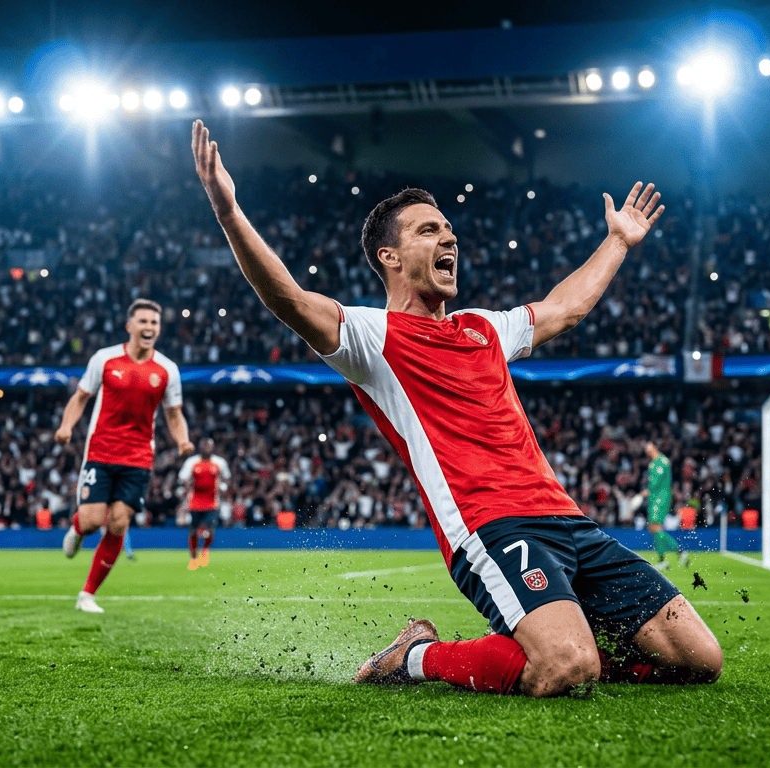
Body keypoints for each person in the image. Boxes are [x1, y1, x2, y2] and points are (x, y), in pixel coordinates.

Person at [191, 120, 721, 697]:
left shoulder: (484, 328)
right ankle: (414, 656)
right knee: (566, 669)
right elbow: (289, 298)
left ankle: (561, 640)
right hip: (490, 526)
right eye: (428, 230)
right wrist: (228, 213)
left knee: (699, 660)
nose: (449, 237)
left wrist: (617, 240)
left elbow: (564, 309)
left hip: (568, 520)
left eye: (448, 228)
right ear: (389, 256)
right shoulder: (374, 338)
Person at [54, 299, 193, 613]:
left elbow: (174, 414)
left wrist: (183, 440)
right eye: (143, 321)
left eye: (154, 323)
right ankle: (77, 529)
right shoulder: (104, 359)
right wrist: (66, 426)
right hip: (101, 451)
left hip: (138, 457)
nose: (149, 328)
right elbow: (80, 397)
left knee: (118, 523)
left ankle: (87, 595)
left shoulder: (168, 369)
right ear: (129, 326)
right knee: (91, 522)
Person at [178, 437, 230, 570]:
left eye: (209, 446)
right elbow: (183, 478)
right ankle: (194, 558)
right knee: (194, 531)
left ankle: (205, 550)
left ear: (213, 448)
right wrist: (186, 486)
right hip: (195, 501)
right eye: (204, 445)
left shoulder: (219, 462)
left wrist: (224, 488)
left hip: (212, 501)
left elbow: (227, 478)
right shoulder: (192, 462)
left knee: (209, 528)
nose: (207, 448)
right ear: (199, 448)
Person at [641, 441, 685, 570]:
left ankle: (678, 551)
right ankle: (664, 559)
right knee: (654, 528)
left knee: (655, 527)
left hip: (660, 498)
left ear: (654, 447)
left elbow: (656, 482)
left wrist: (647, 490)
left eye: (648, 446)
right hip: (655, 498)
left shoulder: (662, 461)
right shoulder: (653, 463)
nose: (646, 449)